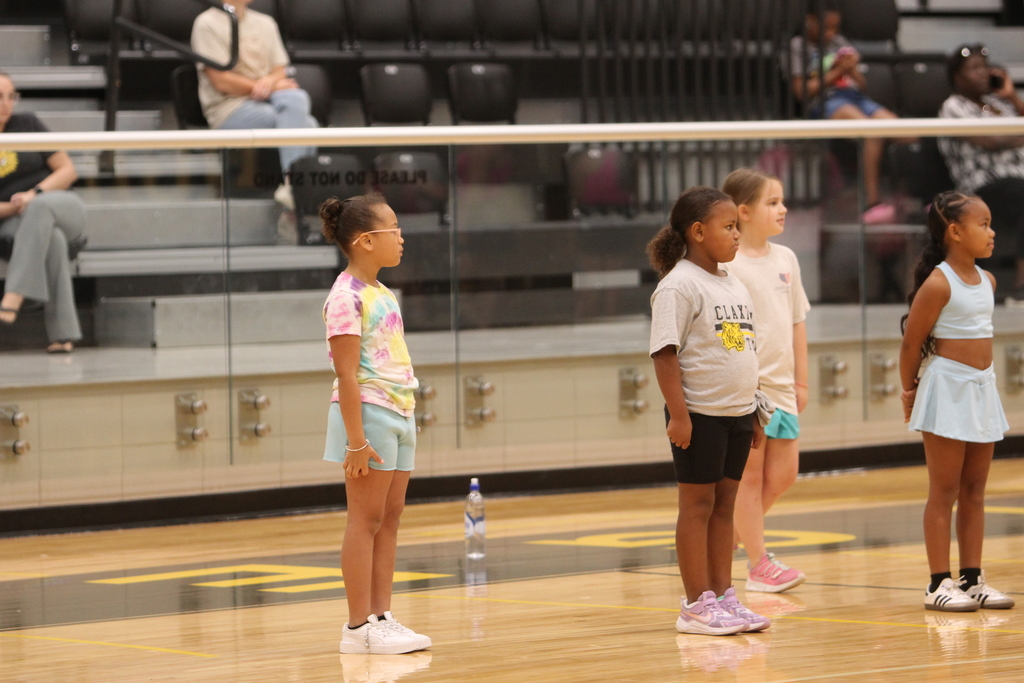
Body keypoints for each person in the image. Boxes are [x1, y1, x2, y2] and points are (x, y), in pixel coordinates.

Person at [648, 186, 770, 636]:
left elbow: (741, 348)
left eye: (738, 227)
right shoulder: (678, 285)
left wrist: (753, 412)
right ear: (698, 232)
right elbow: (664, 355)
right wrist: (679, 416)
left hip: (738, 414)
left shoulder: (732, 282)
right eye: (729, 227)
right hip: (698, 414)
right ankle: (696, 603)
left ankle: (724, 596)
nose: (737, 235)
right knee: (697, 506)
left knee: (725, 507)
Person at [320, 193, 431, 655]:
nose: (402, 238)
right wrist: (356, 441)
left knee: (389, 518)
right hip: (368, 414)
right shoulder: (344, 297)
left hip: (399, 410)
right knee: (364, 519)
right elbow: (347, 374)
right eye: (394, 229)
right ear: (366, 241)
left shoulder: (382, 293)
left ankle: (382, 616)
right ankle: (356, 626)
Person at [900, 190, 1015, 612]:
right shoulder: (938, 282)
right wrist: (909, 392)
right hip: (946, 390)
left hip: (981, 389)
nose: (992, 232)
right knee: (943, 491)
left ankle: (972, 578)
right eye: (982, 224)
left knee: (975, 490)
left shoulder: (988, 280)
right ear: (954, 231)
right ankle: (937, 583)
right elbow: (911, 344)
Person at [720, 169, 810, 593]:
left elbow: (796, 323)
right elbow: (726, 328)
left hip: (783, 388)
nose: (783, 208)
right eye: (772, 202)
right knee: (750, 479)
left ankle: (730, 538)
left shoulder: (786, 259)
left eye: (782, 200)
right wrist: (742, 369)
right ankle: (759, 563)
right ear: (743, 211)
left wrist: (802, 381)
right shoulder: (727, 265)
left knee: (784, 475)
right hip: (748, 391)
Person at [191, 0, 317, 209]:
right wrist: (269, 87)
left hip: (269, 99)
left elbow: (280, 69)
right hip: (229, 107)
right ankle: (297, 189)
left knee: (297, 99)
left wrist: (268, 83)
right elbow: (221, 81)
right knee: (308, 124)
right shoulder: (206, 23)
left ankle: (292, 187)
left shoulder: (265, 22)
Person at [788, 0, 902, 224]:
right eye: (826, 27)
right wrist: (838, 70)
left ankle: (905, 198)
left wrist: (852, 70)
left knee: (907, 131)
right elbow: (803, 91)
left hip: (856, 97)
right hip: (825, 101)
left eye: (835, 28)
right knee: (872, 132)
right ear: (810, 22)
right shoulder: (798, 46)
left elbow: (861, 84)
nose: (831, 34)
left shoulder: (840, 42)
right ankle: (873, 203)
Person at [0, 72, 86, 354]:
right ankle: (64, 335)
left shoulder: (27, 124)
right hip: (13, 219)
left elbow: (67, 170)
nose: (6, 104)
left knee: (42, 208)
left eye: (11, 96)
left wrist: (34, 194)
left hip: (59, 205)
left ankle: (14, 295)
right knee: (55, 242)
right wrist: (13, 207)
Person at [938, 44, 1024, 300]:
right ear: (957, 77)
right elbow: (992, 141)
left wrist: (1011, 97)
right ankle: (1022, 286)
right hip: (981, 187)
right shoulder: (953, 106)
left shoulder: (999, 105)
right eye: (974, 68)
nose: (983, 73)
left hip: (1017, 180)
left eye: (985, 67)